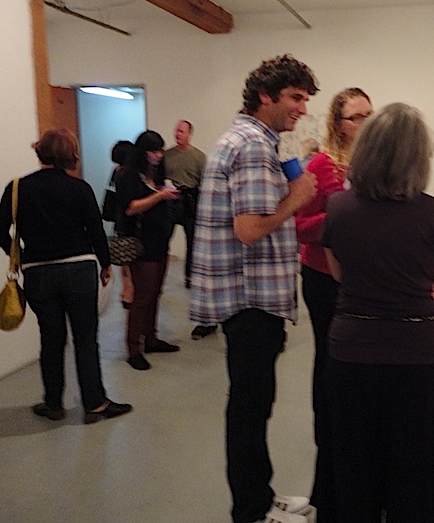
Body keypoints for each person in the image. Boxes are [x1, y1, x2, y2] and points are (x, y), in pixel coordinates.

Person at [315, 103, 434, 523]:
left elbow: (339, 275)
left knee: (354, 464)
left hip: (351, 350)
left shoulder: (339, 208)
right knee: (414, 467)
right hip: (415, 354)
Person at [189, 54, 319, 523]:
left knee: (253, 405)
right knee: (249, 408)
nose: (302, 108)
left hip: (248, 300)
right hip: (250, 301)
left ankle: (259, 497)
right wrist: (297, 199)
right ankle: (250, 510)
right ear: (266, 96)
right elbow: (249, 229)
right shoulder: (253, 147)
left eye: (305, 99)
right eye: (295, 97)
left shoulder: (251, 140)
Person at [0, 128, 132, 424]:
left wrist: (19, 255)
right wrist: (106, 264)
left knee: (51, 339)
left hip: (38, 273)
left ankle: (53, 403)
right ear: (70, 154)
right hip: (79, 269)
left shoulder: (18, 187)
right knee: (85, 339)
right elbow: (96, 231)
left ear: (41, 151)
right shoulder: (79, 188)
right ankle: (95, 404)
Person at [294, 87, 372, 504]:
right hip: (324, 277)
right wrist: (345, 215)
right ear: (338, 124)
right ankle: (328, 437)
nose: (364, 123)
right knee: (329, 358)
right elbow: (301, 227)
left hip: (364, 279)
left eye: (368, 115)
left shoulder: (375, 163)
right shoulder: (320, 166)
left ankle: (358, 435)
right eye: (355, 117)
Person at [116, 130, 181, 371]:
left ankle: (151, 339)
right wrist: (160, 196)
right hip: (141, 244)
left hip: (159, 241)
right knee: (141, 297)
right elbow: (130, 208)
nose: (159, 155)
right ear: (143, 152)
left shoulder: (156, 174)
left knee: (155, 293)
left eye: (161, 150)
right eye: (154, 151)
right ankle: (133, 347)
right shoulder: (129, 175)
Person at [164, 120, 206, 294]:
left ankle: (190, 277)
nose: (178, 134)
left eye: (181, 131)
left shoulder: (199, 157)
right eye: (176, 131)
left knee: (192, 242)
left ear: (189, 134)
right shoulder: (167, 155)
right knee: (163, 239)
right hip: (170, 201)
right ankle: (160, 277)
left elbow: (204, 182)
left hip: (190, 201)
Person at [108, 140, 135, 309]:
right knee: (131, 256)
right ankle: (130, 291)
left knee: (124, 258)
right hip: (129, 220)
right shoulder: (130, 174)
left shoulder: (116, 172)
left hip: (119, 220)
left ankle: (126, 291)